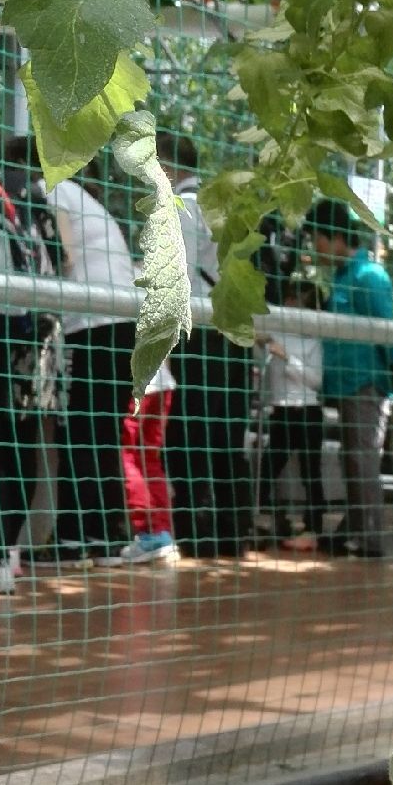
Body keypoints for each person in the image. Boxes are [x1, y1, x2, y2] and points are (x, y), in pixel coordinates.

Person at [159, 135, 257, 558]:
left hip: (201, 335)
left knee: (190, 433)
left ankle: (196, 533)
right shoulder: (221, 205)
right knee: (226, 438)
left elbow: (176, 278)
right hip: (233, 334)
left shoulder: (181, 206)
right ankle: (232, 532)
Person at [304, 197, 393, 557]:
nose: (314, 250)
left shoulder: (369, 276)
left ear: (333, 237)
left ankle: (370, 540)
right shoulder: (345, 278)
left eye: (315, 239)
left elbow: (389, 334)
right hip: (346, 387)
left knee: (362, 460)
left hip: (367, 386)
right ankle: (356, 531)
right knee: (353, 460)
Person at [51, 166, 135, 557]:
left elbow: (63, 255)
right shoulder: (93, 203)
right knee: (103, 430)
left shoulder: (53, 190)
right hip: (122, 322)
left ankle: (74, 535)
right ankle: (107, 533)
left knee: (79, 429)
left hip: (91, 325)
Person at [0, 132, 63, 594]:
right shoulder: (28, 198)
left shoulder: (10, 194)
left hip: (6, 324)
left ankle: (3, 554)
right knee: (14, 440)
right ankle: (6, 556)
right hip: (29, 330)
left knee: (6, 442)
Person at [260, 276, 327, 550]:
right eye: (288, 298)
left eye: (296, 300)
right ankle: (266, 519)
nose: (289, 303)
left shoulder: (314, 341)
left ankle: (313, 528)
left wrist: (288, 358)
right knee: (267, 468)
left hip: (307, 412)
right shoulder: (275, 330)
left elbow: (316, 380)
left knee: (310, 473)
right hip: (281, 412)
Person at [112, 360, 179, 564]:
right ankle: (162, 533)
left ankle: (150, 533)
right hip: (163, 381)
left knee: (130, 456)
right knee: (149, 458)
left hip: (140, 384)